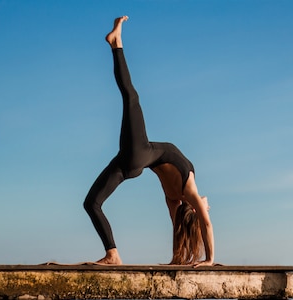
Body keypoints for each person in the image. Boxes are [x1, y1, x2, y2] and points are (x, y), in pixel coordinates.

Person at [84, 16, 214, 266]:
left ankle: (116, 43)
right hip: (133, 162)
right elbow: (179, 229)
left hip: (139, 153)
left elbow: (206, 224)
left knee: (131, 96)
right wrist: (177, 259)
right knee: (91, 203)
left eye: (206, 208)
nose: (209, 207)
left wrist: (210, 260)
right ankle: (112, 254)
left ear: (196, 210)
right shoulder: (175, 199)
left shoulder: (189, 191)